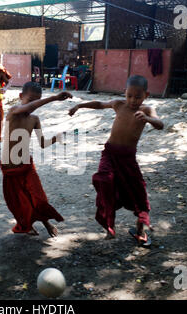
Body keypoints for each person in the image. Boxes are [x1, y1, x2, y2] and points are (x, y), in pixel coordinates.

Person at [68, 75, 164, 247]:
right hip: (110, 153)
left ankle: (140, 230)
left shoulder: (147, 110)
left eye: (138, 97)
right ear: (124, 92)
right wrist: (79, 106)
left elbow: (160, 124)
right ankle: (109, 227)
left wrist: (147, 119)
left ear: (146, 95)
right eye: (129, 96)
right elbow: (99, 104)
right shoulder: (119, 104)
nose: (133, 100)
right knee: (105, 181)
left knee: (139, 195)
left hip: (128, 158)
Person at [0, 82, 72, 237]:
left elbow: (42, 143)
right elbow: (25, 108)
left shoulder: (34, 119)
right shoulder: (13, 111)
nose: (34, 105)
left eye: (37, 101)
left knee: (39, 197)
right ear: (20, 97)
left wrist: (55, 139)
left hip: (26, 164)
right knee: (19, 201)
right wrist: (53, 98)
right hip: (9, 166)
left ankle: (46, 223)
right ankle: (27, 224)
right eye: (31, 100)